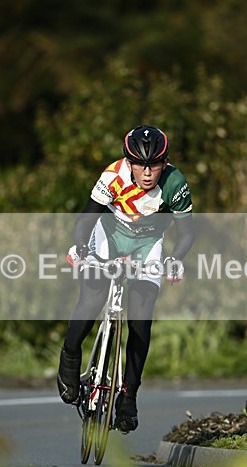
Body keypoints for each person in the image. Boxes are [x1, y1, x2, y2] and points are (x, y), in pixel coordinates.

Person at [57, 124, 195, 432]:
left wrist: (174, 260)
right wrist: (81, 247)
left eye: (154, 165)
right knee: (92, 299)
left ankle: (129, 397)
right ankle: (69, 357)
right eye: (140, 164)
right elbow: (87, 218)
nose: (147, 173)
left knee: (141, 320)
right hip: (109, 235)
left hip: (148, 243)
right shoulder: (113, 176)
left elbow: (186, 233)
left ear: (165, 162)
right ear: (128, 162)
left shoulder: (175, 182)